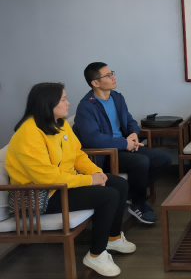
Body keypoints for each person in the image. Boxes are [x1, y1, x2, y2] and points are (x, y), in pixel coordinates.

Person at [5, 83, 135, 277]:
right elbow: (47, 178)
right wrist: (89, 180)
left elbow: (78, 154)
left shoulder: (60, 124)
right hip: (38, 195)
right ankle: (96, 254)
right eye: (64, 99)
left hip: (61, 186)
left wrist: (97, 172)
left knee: (119, 183)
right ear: (48, 103)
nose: (68, 103)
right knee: (108, 195)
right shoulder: (28, 134)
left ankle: (113, 237)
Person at [73, 62, 172, 225]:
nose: (113, 77)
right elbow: (92, 138)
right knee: (141, 162)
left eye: (112, 73)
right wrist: (124, 143)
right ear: (95, 83)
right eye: (108, 75)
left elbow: (130, 120)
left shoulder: (117, 97)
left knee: (164, 159)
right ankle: (138, 203)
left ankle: (129, 194)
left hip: (124, 146)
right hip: (105, 154)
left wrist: (133, 133)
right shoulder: (86, 106)